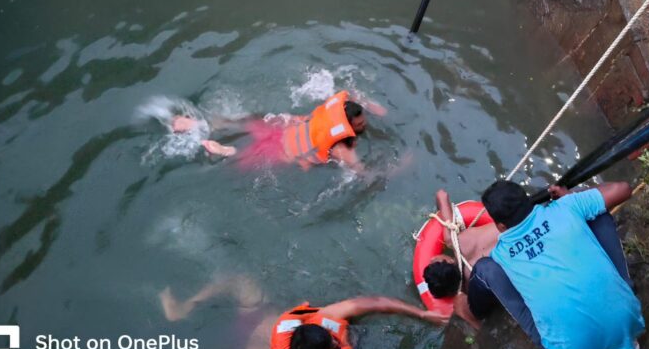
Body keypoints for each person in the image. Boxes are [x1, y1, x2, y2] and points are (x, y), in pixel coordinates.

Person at [466, 180, 645, 349]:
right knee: (597, 210)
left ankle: (473, 311)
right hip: (629, 329)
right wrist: (570, 196)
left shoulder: (501, 255)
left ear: (500, 226)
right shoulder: (567, 206)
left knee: (485, 269)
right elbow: (623, 189)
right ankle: (624, 291)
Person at [159, 276, 447, 349]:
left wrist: (422, 314)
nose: (337, 342)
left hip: (257, 323)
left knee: (240, 281)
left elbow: (371, 302)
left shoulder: (321, 319)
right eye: (334, 346)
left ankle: (183, 307)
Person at [171, 90, 386, 172]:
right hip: (280, 152)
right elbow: (363, 174)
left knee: (242, 122)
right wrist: (397, 170)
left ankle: (198, 124)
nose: (363, 125)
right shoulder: (342, 148)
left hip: (281, 127)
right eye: (359, 125)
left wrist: (369, 105)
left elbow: (350, 97)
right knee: (246, 155)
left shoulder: (336, 110)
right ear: (346, 123)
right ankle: (226, 151)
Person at [422, 189, 499, 298]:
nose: (431, 259)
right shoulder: (455, 240)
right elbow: (441, 195)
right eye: (433, 262)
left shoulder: (472, 287)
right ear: (449, 260)